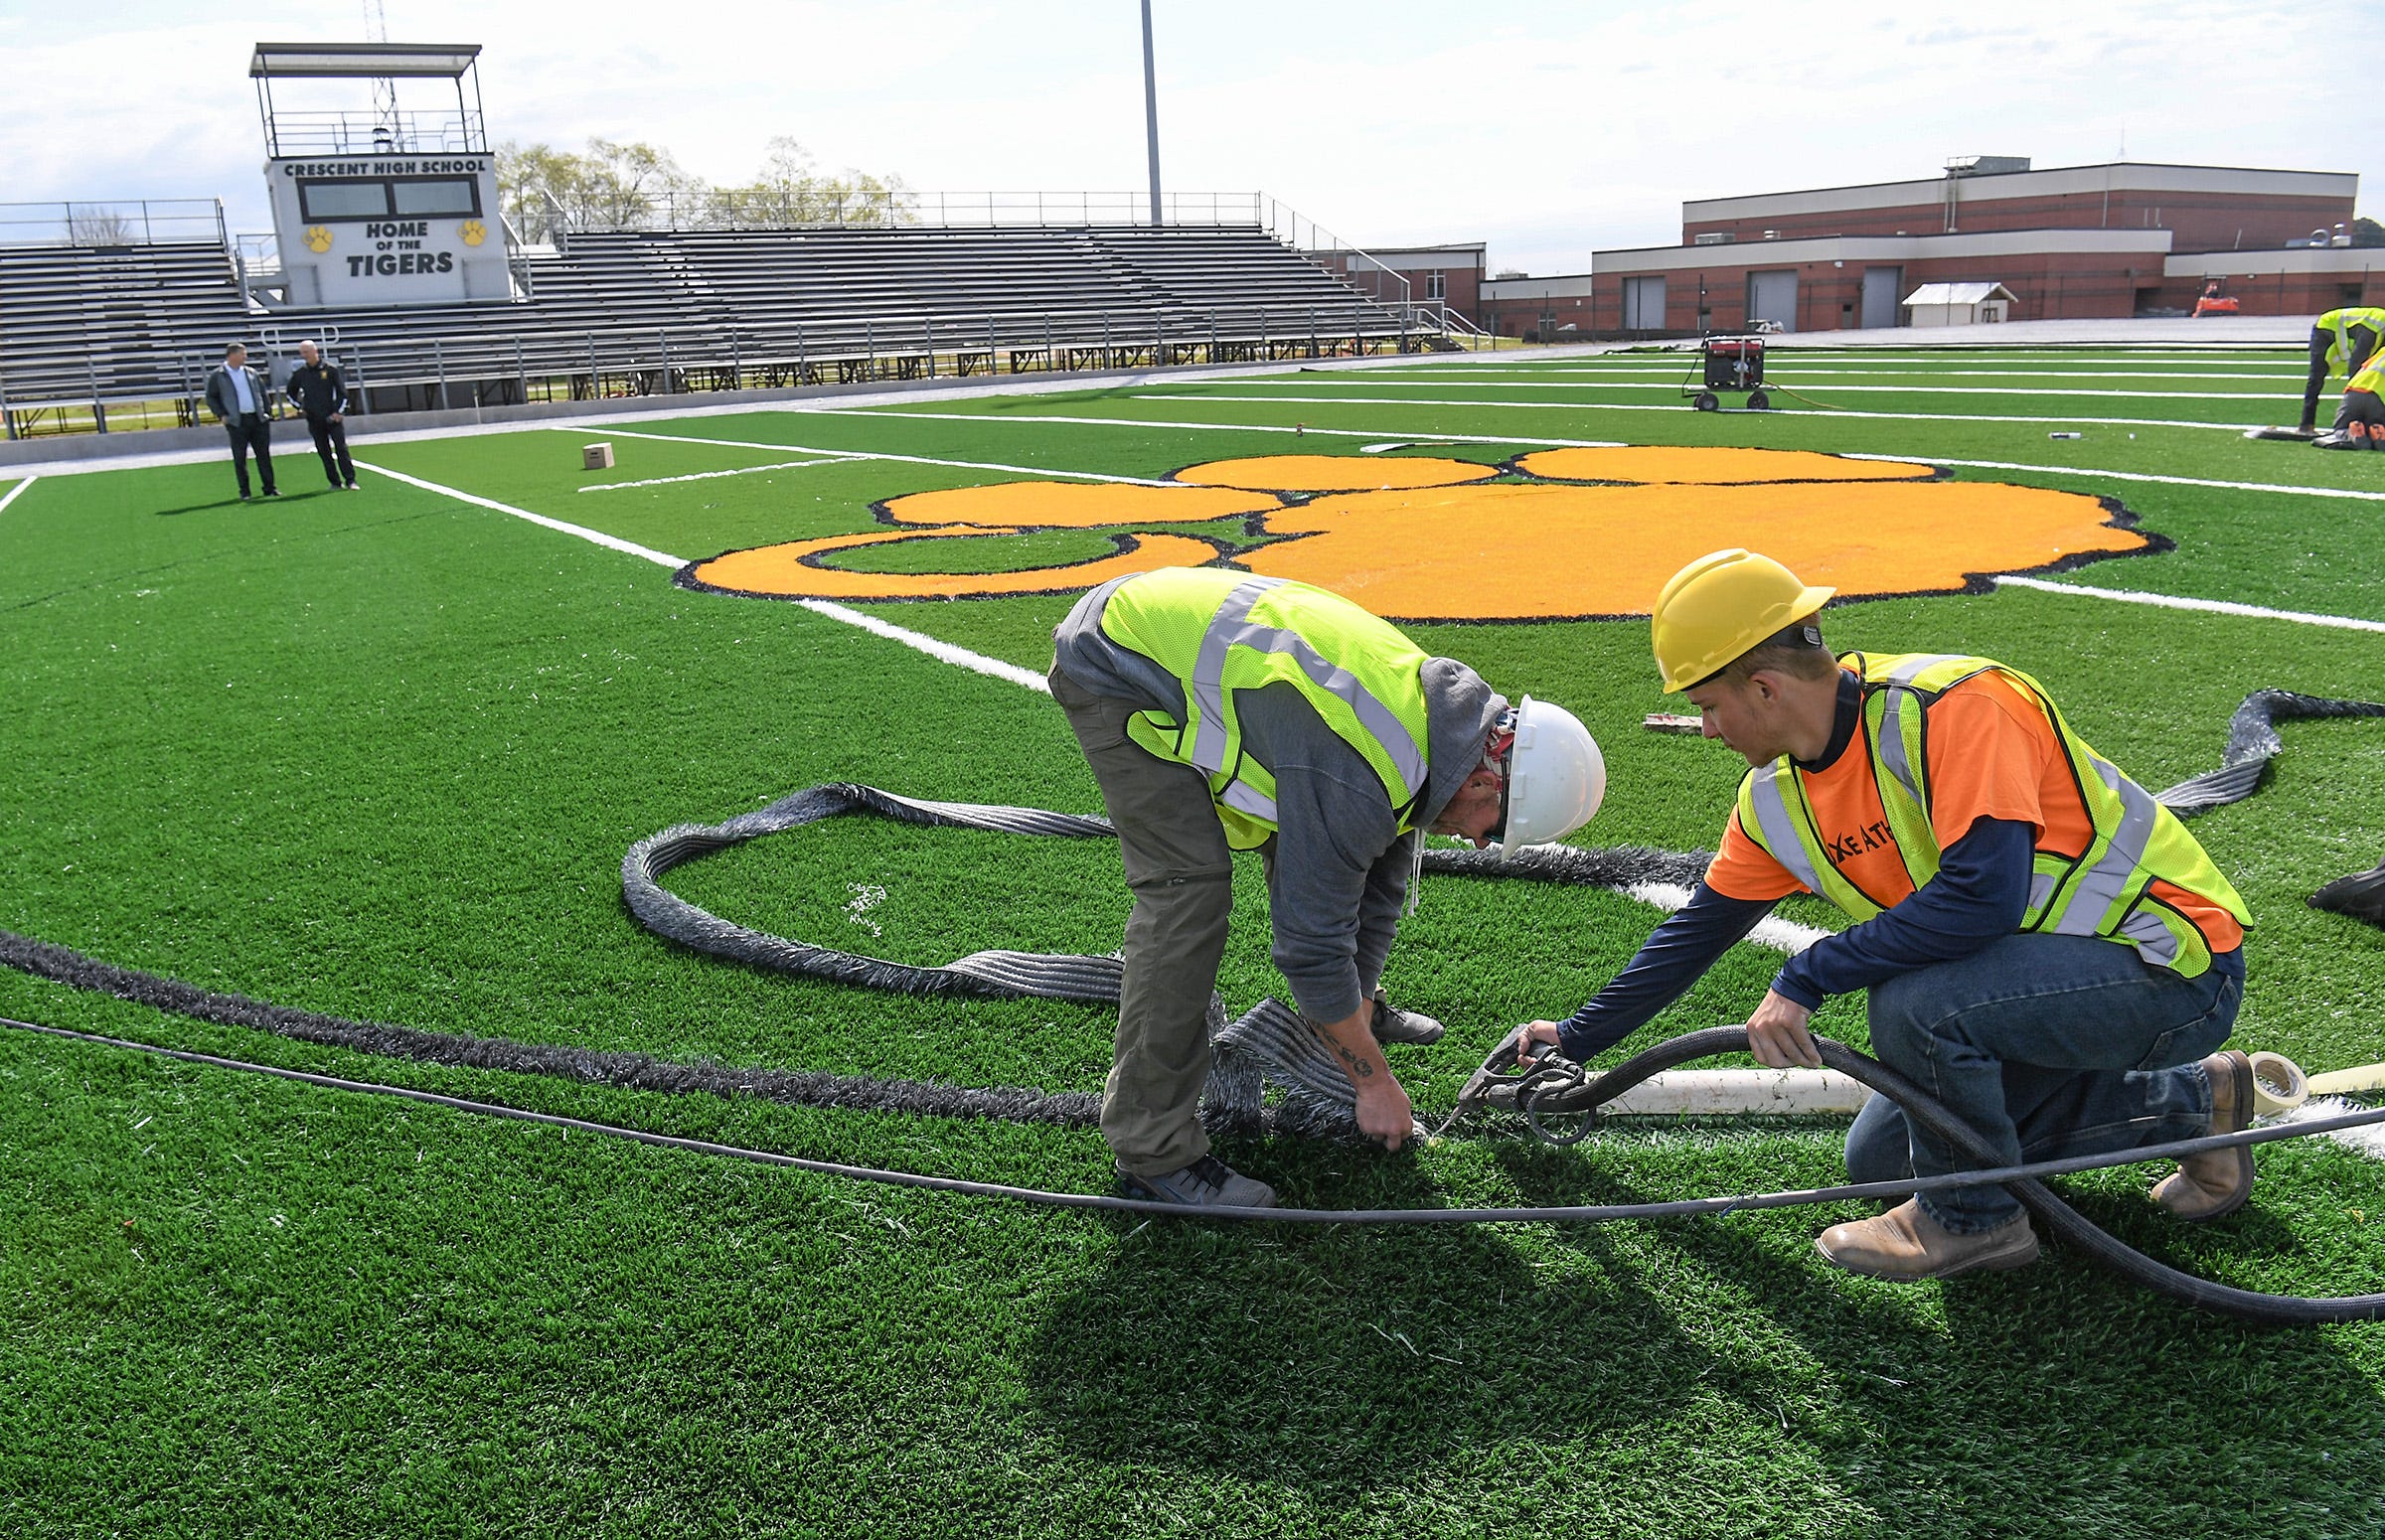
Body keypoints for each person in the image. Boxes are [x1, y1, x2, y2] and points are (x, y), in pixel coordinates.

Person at [1520, 549, 2255, 1282]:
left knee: (1916, 1006)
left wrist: (1809, 973)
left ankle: (1977, 1224)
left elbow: (1982, 895)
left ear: (1766, 688)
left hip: (2173, 964)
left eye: (1708, 706)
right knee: (1884, 1160)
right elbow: (1695, 934)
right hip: (2033, 989)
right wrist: (1575, 1039)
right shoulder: (1775, 801)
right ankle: (2197, 1103)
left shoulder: (1957, 705)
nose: (1708, 730)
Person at [1051, 566, 1605, 1208]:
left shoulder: (1441, 725)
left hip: (1170, 627)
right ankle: (1152, 1151)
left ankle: (1341, 1021)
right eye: (1494, 828)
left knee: (1325, 861)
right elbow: (1310, 946)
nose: (1481, 843)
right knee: (1186, 889)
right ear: (1486, 784)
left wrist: (1356, 1008)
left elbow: (1381, 871)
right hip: (1118, 660)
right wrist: (1372, 1082)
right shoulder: (1363, 771)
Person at [203, 343, 276, 501]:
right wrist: (221, 415)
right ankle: (245, 491)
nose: (246, 357)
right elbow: (211, 397)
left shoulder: (251, 372)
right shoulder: (219, 375)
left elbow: (262, 393)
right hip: (237, 421)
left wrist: (267, 413)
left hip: (257, 419)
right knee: (240, 457)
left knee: (263, 454)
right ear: (232, 355)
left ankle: (269, 487)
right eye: (243, 354)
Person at [2298, 305, 2385, 433]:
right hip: (2325, 328)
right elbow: (2356, 365)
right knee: (2316, 378)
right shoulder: (2373, 329)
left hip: (2342, 328)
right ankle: (2306, 424)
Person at [284, 340, 359, 490]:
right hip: (314, 419)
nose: (304, 355)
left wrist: (339, 412)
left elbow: (342, 392)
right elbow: (290, 393)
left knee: (341, 448)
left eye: (306, 352)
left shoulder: (330, 370)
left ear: (315, 351)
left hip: (332, 417)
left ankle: (350, 480)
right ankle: (334, 482)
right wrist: (301, 407)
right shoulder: (300, 373)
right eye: (302, 352)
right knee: (323, 451)